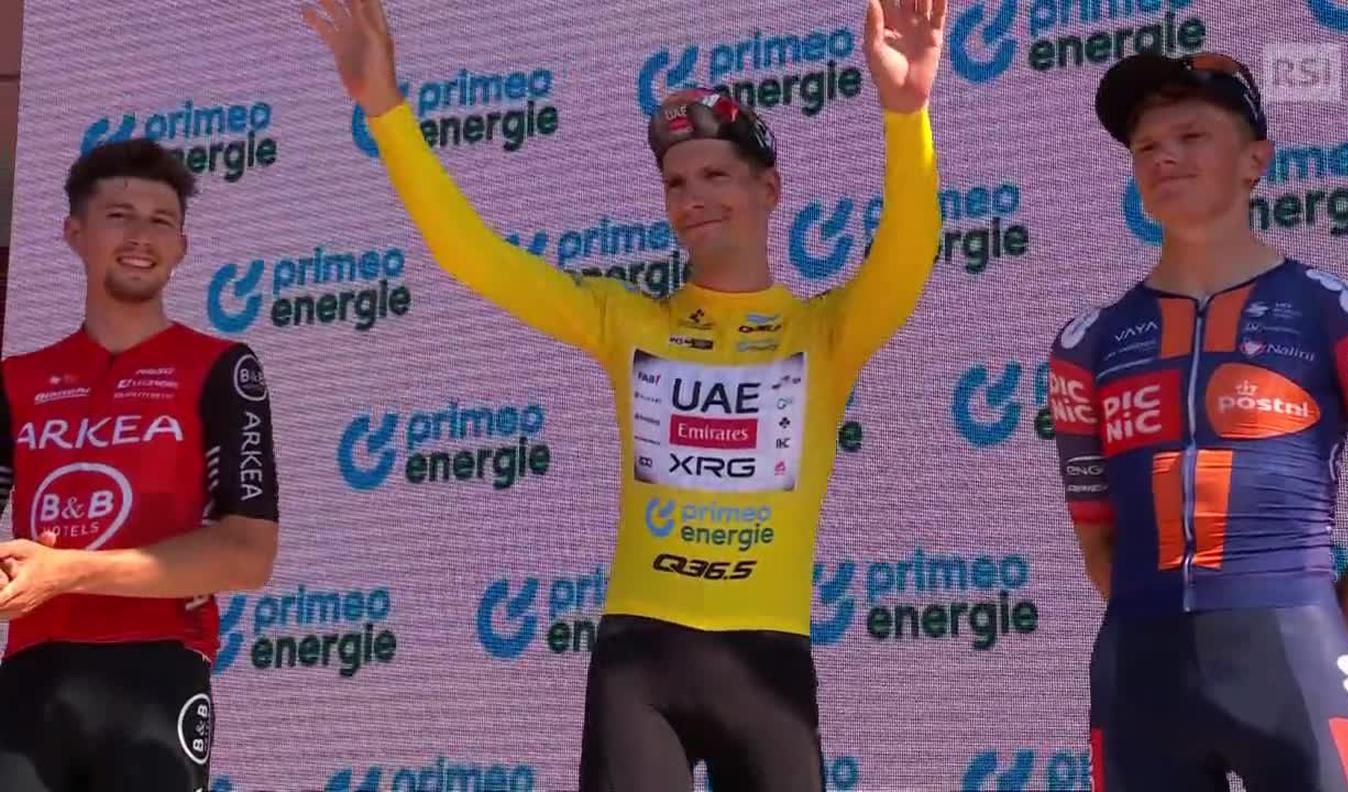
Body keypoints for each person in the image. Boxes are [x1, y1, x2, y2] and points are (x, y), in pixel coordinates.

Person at [303, 0, 944, 788]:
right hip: (641, 664)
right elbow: (472, 256)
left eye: (715, 174)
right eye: (676, 182)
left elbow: (907, 255)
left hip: (768, 663)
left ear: (770, 188)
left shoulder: (823, 334)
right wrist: (386, 110)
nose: (692, 195)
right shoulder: (629, 322)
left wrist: (906, 112)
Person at [1049, 51, 1348, 791]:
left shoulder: (1342, 313)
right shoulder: (1086, 344)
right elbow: (1098, 543)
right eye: (1146, 146)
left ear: (1255, 161)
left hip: (1293, 647)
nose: (1164, 157)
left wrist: (1314, 638)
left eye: (1191, 136)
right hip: (1140, 670)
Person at [0, 137, 281, 791]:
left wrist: (67, 572)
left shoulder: (221, 367)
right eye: (119, 216)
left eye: (161, 221)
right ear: (75, 233)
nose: (141, 237)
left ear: (181, 247)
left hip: (157, 677)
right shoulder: (16, 380)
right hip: (28, 682)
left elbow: (248, 555)